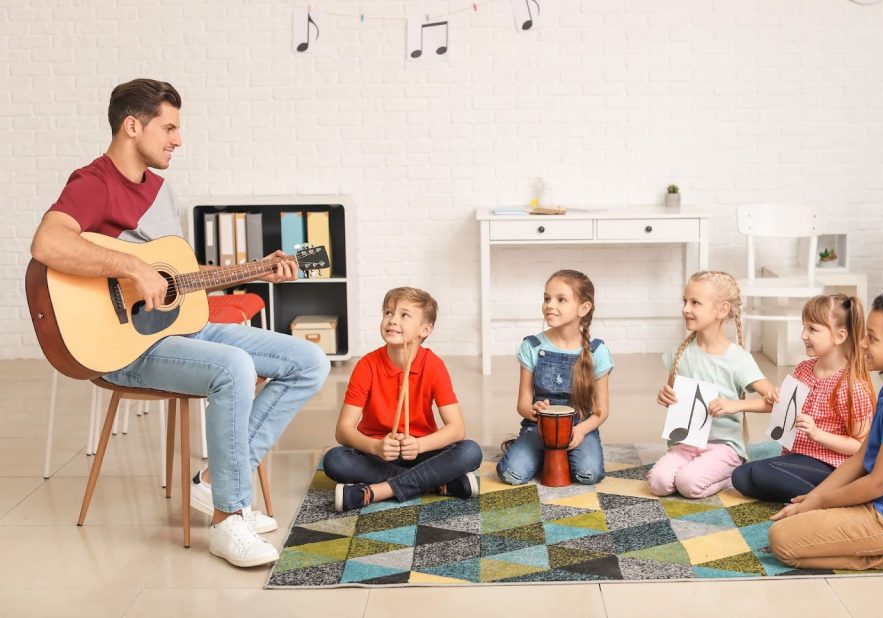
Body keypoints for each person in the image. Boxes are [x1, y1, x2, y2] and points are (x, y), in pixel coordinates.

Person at [29, 78, 330, 568]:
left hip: (179, 331)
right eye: (168, 127)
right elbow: (47, 244)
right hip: (125, 349)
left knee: (309, 361)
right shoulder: (94, 182)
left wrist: (258, 269)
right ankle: (228, 518)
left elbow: (176, 278)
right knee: (232, 366)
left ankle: (214, 483)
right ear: (132, 125)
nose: (177, 139)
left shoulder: (160, 191)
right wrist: (129, 267)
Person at [768, 290, 883, 571]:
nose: (862, 342)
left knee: (781, 541)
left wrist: (823, 501)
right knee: (797, 518)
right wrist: (816, 498)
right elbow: (860, 458)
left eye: (873, 338)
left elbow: (879, 482)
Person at [325, 287, 482, 511]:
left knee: (470, 451)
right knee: (335, 460)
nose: (392, 320)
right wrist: (375, 446)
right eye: (388, 313)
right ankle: (437, 484)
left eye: (404, 315)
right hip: (378, 454)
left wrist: (419, 445)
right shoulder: (367, 365)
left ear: (425, 329)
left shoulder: (433, 365)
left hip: (421, 452)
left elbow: (457, 429)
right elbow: (343, 430)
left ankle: (377, 491)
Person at [728, 294, 875, 502]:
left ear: (840, 336)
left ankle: (832, 498)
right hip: (796, 457)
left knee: (760, 472)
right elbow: (783, 411)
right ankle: (818, 496)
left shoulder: (852, 386)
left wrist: (817, 434)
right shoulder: (803, 370)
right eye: (804, 327)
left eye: (812, 329)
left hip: (833, 466)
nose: (803, 335)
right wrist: (774, 399)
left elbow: (860, 447)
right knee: (740, 476)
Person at [646, 270, 776, 499]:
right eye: (685, 301)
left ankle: (731, 473)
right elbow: (673, 400)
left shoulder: (738, 359)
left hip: (723, 446)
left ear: (722, 310)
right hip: (686, 443)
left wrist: (734, 405)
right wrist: (665, 397)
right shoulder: (681, 352)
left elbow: (774, 402)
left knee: (688, 485)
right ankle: (697, 468)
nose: (686, 309)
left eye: (695, 302)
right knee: (658, 484)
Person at [496, 269, 612, 486]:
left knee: (588, 475)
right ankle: (538, 452)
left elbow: (602, 410)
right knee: (511, 474)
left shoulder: (597, 351)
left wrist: (581, 431)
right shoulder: (532, 346)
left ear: (583, 308)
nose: (550, 305)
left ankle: (557, 454)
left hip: (580, 427)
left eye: (561, 300)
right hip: (538, 426)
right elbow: (522, 403)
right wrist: (531, 411)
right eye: (547, 298)